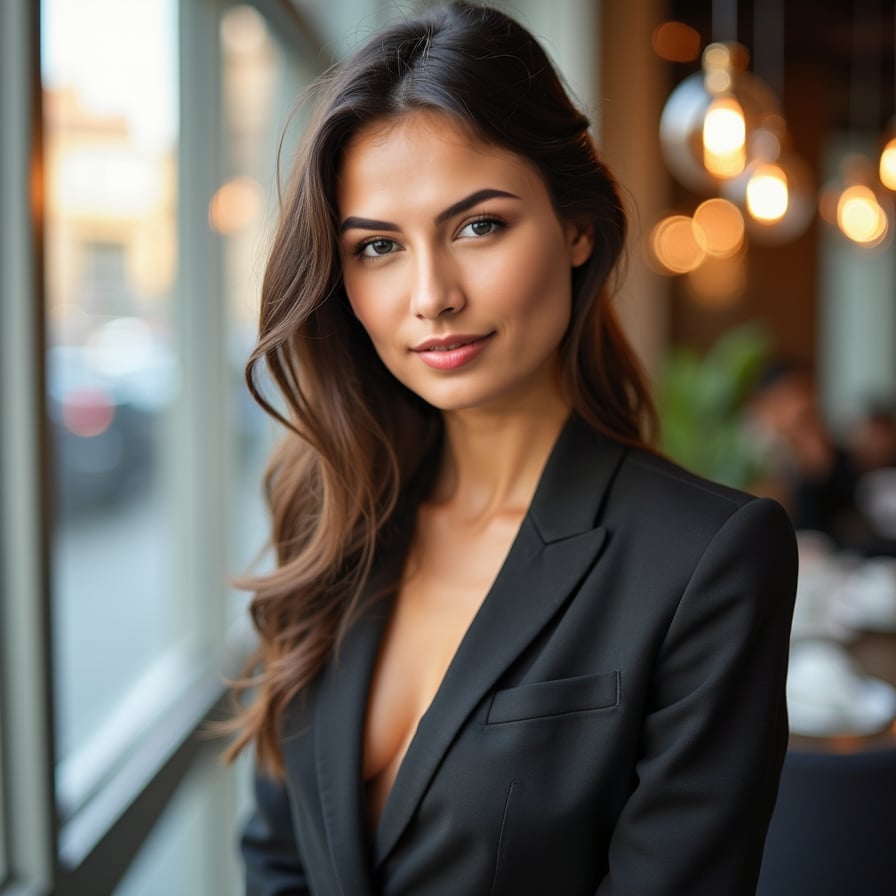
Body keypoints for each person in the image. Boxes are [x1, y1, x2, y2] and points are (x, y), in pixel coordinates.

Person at [229, 4, 798, 894]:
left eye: (477, 226)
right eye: (378, 246)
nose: (431, 295)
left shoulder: (706, 560)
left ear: (575, 227)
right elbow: (277, 853)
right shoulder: (336, 517)